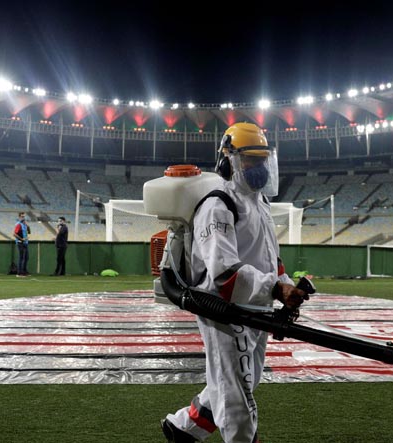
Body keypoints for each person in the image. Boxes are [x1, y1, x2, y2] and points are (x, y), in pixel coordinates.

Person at [161, 122, 308, 443]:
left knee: (243, 381)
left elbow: (271, 260)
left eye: (262, 160)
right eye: (250, 160)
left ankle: (183, 428)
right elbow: (224, 274)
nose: (259, 168)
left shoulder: (260, 203)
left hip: (257, 306)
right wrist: (275, 288)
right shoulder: (217, 206)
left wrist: (286, 286)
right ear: (228, 160)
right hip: (225, 311)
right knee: (237, 398)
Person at [13, 212, 31, 277]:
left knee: (26, 257)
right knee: (21, 258)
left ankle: (24, 271)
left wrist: (28, 226)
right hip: (20, 243)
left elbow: (29, 232)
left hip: (25, 243)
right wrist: (21, 239)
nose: (23, 218)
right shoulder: (18, 224)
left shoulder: (24, 224)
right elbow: (14, 234)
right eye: (22, 216)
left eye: (24, 216)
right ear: (19, 217)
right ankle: (19, 273)